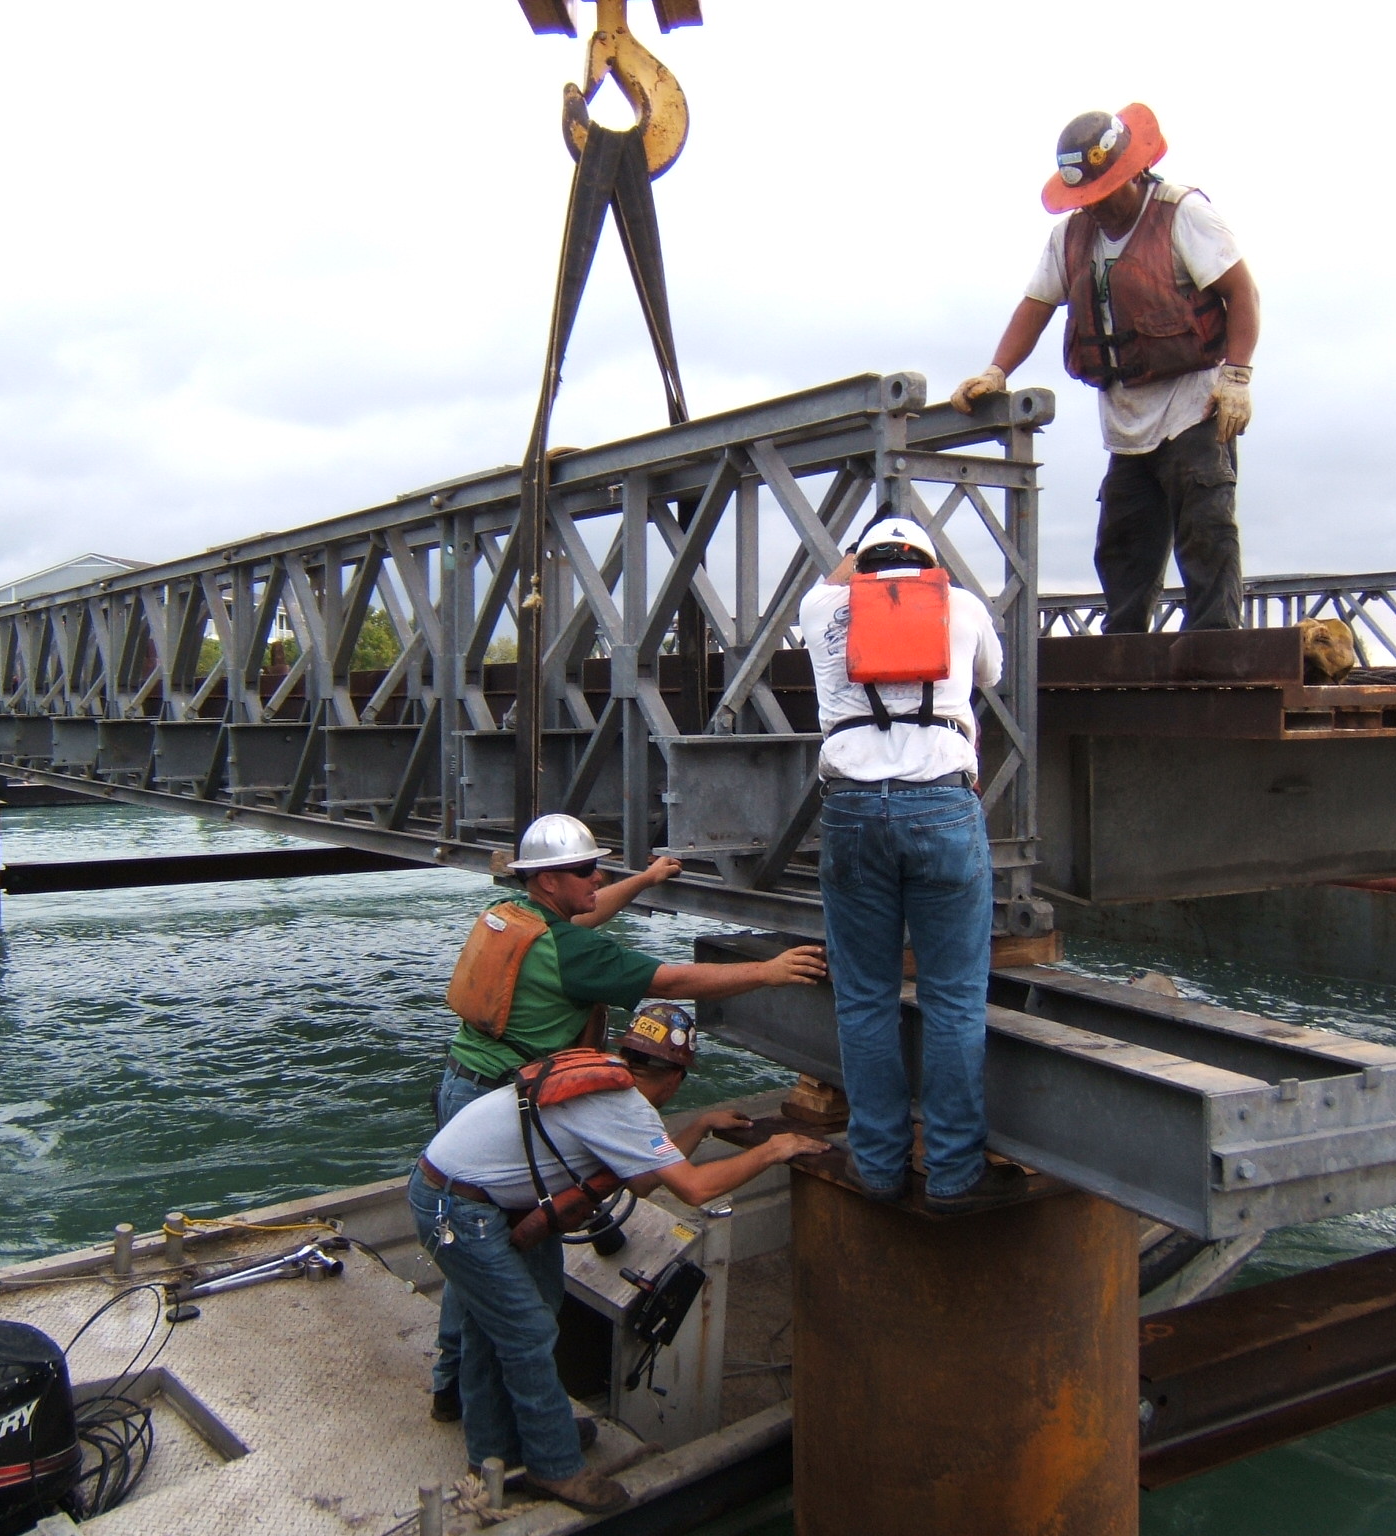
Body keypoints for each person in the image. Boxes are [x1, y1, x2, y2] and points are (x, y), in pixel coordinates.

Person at [429, 813, 826, 1421]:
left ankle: (451, 1384)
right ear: (547, 881)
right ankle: (502, 1412)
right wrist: (768, 972)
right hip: (497, 1094)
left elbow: (584, 914)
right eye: (587, 870)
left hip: (461, 1083)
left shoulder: (518, 918)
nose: (598, 878)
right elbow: (672, 978)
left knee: (471, 1263)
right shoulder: (571, 952)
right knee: (518, 1276)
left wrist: (644, 880)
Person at [412, 1007, 829, 1513]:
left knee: (516, 1314)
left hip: (479, 1196)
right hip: (458, 1207)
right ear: (674, 1078)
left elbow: (644, 1176)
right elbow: (693, 1190)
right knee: (524, 1331)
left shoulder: (606, 1082)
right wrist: (772, 1150)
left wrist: (699, 1128)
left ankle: (497, 1449)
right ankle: (554, 1468)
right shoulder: (623, 1108)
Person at [950, 103, 1261, 634]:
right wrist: (997, 370)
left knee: (1205, 534)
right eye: (1085, 198)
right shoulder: (1070, 238)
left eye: (1104, 191)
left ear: (1133, 172)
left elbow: (1242, 293)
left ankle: (1217, 655)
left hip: (1194, 405)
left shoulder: (1182, 214)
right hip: (1125, 420)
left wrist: (1236, 377)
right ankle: (1125, 662)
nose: (1095, 206)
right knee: (1123, 547)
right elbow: (1036, 306)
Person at [796, 515, 1010, 1214]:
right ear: (927, 560)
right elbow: (993, 674)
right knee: (952, 998)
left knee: (864, 1000)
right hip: (942, 804)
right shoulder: (964, 606)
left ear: (861, 560)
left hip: (853, 808)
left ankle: (880, 1166)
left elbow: (838, 577)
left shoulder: (825, 606)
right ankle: (951, 1172)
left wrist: (858, 560)